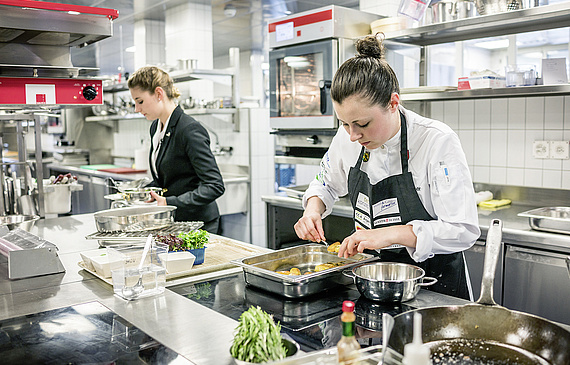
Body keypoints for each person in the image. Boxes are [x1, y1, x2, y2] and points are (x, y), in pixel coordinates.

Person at [294, 34, 480, 300]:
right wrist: (313, 209)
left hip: (434, 289)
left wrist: (392, 234)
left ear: (393, 103)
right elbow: (325, 183)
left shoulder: (435, 141)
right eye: (345, 124)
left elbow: (463, 230)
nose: (353, 135)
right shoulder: (347, 138)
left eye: (363, 124)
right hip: (371, 281)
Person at [128, 66, 225, 234]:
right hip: (176, 222)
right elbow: (169, 180)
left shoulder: (189, 129)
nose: (137, 109)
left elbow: (214, 185)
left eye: (140, 101)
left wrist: (170, 201)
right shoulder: (156, 128)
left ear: (159, 94)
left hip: (199, 224)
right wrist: (144, 192)